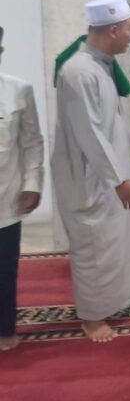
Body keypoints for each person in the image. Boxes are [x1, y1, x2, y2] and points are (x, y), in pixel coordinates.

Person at [51, 0, 130, 342]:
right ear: (113, 30)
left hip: (105, 174)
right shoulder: (79, 71)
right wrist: (119, 179)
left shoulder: (100, 66)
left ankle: (110, 303)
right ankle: (92, 318)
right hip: (88, 178)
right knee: (93, 248)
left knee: (112, 243)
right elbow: (89, 133)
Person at [0, 26, 44, 351]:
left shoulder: (18, 90)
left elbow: (32, 142)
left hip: (5, 195)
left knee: (4, 269)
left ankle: (4, 329)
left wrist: (32, 183)